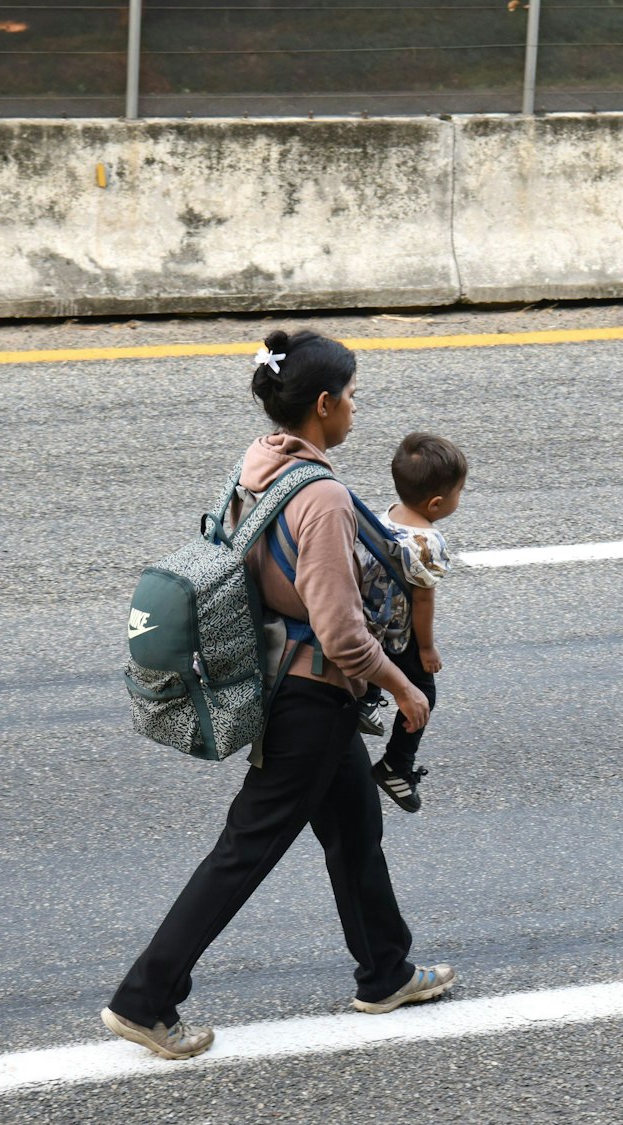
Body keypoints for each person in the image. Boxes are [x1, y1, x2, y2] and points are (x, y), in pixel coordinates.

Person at [100, 329, 457, 1061]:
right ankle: (145, 997)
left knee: (355, 828)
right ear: (323, 405)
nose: (358, 409)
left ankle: (385, 969)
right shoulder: (320, 494)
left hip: (284, 679)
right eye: (352, 396)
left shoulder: (258, 466)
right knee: (245, 849)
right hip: (310, 696)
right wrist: (401, 688)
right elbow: (340, 627)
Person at [361, 433, 467, 814]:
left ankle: (367, 699)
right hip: (395, 636)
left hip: (363, 625)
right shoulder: (428, 542)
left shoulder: (382, 516)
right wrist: (426, 647)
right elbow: (422, 599)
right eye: (459, 493)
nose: (459, 499)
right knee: (424, 693)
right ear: (437, 503)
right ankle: (396, 766)